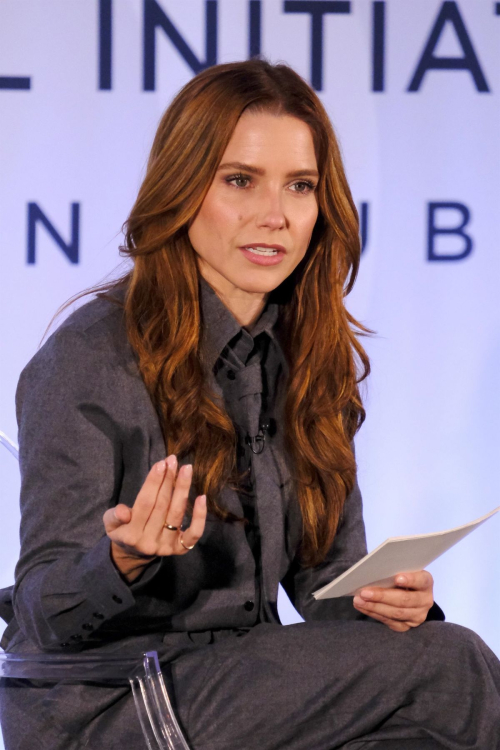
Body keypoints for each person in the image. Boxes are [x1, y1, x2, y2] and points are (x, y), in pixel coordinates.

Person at [0, 59, 499, 750]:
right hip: (108, 701)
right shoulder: (88, 358)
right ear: (182, 189)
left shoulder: (306, 355)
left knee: (424, 705)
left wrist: (384, 605)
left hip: (240, 686)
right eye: (240, 181)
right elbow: (42, 608)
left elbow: (325, 586)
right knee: (456, 663)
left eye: (300, 186)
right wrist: (121, 562)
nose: (276, 216)